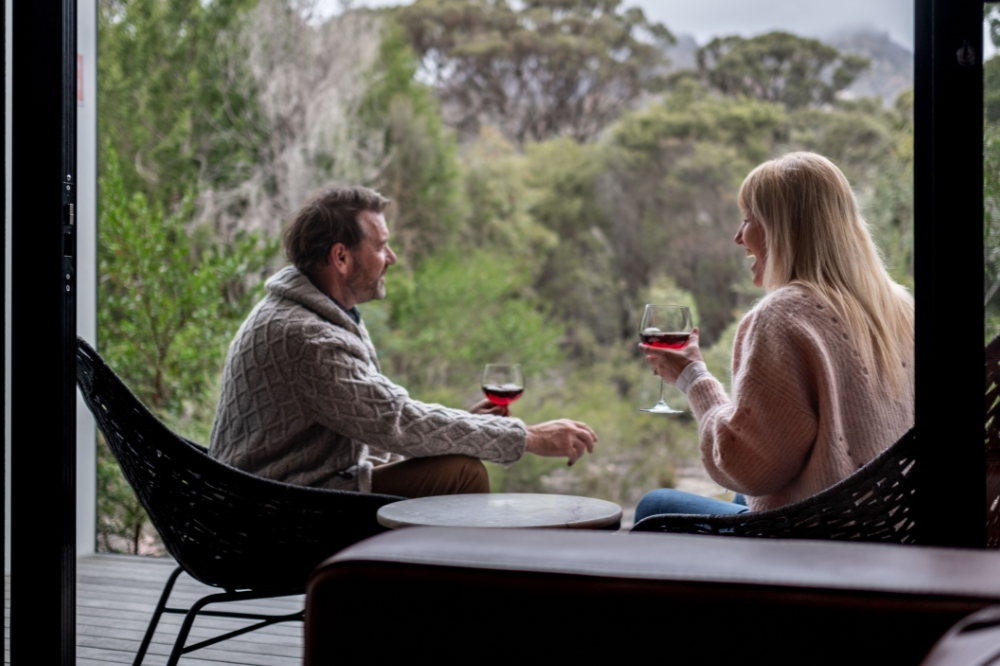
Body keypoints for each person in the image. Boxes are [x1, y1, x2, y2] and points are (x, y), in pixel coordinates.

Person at [209, 186, 597, 498]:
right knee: (462, 473)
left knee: (453, 459)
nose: (391, 258)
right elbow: (396, 420)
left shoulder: (309, 313)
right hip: (273, 514)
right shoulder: (308, 337)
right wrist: (529, 437)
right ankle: (453, 576)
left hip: (286, 491)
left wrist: (465, 429)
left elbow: (378, 422)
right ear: (341, 257)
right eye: (380, 246)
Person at [634, 152, 915, 522]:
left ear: (783, 229)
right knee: (742, 498)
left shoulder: (783, 314)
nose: (738, 236)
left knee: (653, 505)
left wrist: (694, 378)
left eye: (748, 219)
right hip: (886, 523)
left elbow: (748, 469)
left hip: (820, 535)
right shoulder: (900, 307)